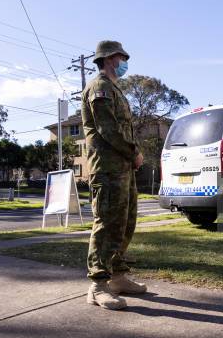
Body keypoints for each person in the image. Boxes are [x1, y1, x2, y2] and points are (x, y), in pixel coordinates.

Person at [81, 40, 145, 310]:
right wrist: (134, 153)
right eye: (122, 57)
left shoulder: (114, 88)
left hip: (121, 168)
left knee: (125, 223)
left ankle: (117, 277)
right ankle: (97, 285)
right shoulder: (100, 88)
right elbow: (108, 130)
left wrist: (130, 157)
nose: (125, 61)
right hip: (107, 168)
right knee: (107, 223)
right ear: (109, 59)